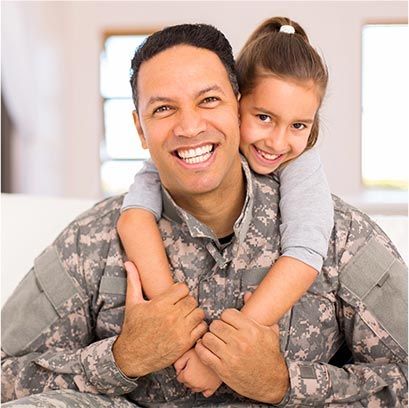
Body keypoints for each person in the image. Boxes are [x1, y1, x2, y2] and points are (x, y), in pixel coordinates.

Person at [2, 21, 407, 407]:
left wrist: (284, 382)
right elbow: (5, 374)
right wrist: (120, 359)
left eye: (208, 100)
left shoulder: (338, 233)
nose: (190, 126)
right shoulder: (91, 240)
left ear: (238, 106)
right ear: (140, 129)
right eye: (163, 109)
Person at [117, 16, 333, 398]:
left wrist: (221, 356)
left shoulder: (301, 166)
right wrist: (179, 337)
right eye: (263, 117)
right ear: (239, 107)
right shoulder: (179, 157)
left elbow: (305, 251)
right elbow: (133, 221)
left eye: (299, 126)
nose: (277, 142)